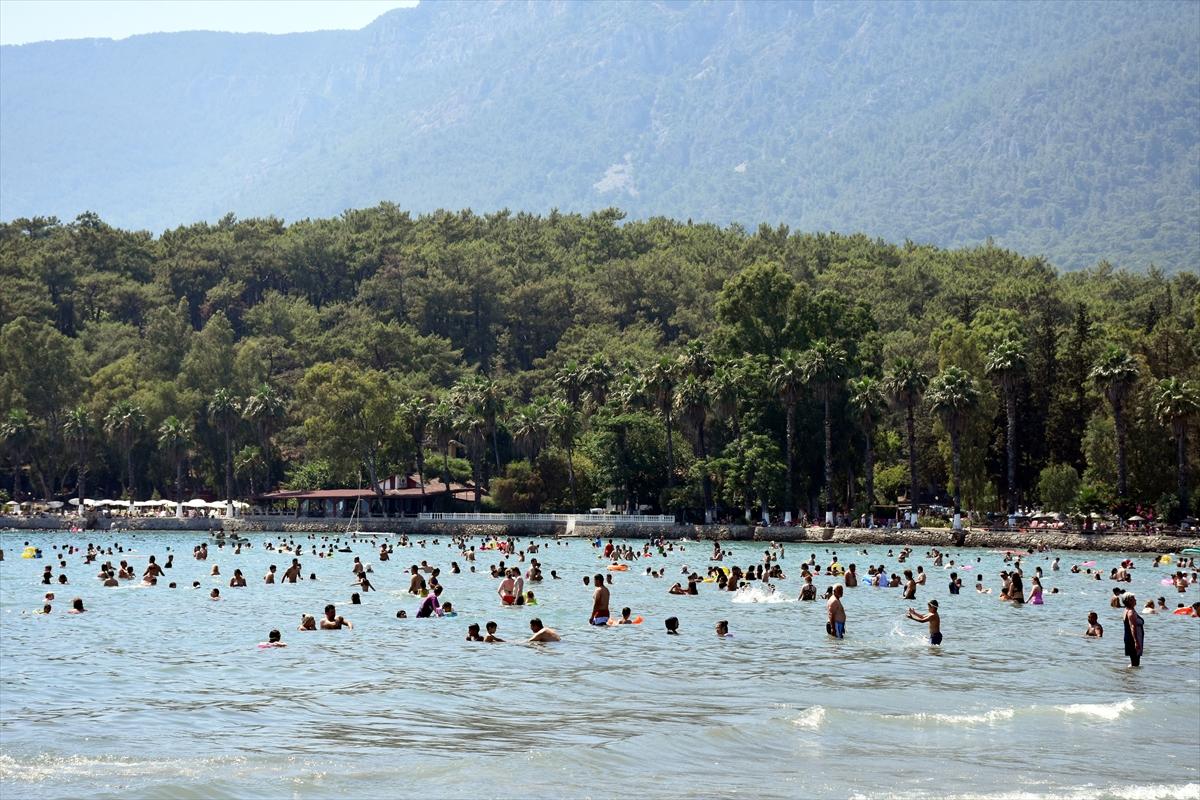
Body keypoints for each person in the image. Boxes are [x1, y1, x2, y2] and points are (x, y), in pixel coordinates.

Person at [1122, 594, 1144, 667]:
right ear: (1129, 601)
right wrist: (1136, 642)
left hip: (1130, 637)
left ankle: (1129, 673)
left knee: (1134, 662)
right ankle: (1130, 674)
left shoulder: (1127, 609)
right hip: (1133, 638)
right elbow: (1132, 627)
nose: (1135, 600)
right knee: (1135, 663)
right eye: (1134, 599)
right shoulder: (1130, 612)